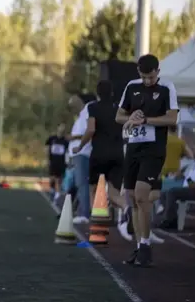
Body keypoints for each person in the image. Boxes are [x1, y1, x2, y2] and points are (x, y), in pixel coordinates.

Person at [116, 54, 178, 267]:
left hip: (154, 150)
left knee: (143, 196)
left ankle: (146, 244)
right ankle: (138, 246)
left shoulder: (167, 88)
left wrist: (147, 120)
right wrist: (131, 118)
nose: (147, 81)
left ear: (158, 73)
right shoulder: (131, 86)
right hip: (133, 149)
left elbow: (172, 118)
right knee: (132, 199)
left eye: (151, 77)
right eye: (144, 77)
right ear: (139, 74)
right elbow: (119, 116)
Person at [72, 80, 131, 241]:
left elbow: (91, 129)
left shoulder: (93, 107)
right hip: (118, 154)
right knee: (113, 194)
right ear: (112, 93)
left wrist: (80, 145)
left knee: (93, 190)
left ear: (97, 94)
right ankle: (126, 208)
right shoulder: (120, 108)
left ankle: (97, 227)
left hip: (99, 154)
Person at [68, 94, 93, 224]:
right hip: (78, 154)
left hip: (82, 152)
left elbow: (87, 132)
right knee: (79, 184)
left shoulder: (88, 110)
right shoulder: (80, 116)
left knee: (82, 184)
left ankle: (84, 213)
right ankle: (80, 210)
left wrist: (73, 138)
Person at [45, 123, 68, 202]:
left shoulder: (65, 141)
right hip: (53, 161)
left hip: (61, 162)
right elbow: (47, 149)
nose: (62, 129)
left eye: (63, 128)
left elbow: (67, 152)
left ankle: (57, 195)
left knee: (58, 179)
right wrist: (47, 159)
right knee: (52, 178)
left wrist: (67, 162)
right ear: (58, 128)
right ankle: (52, 190)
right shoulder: (52, 138)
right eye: (61, 127)